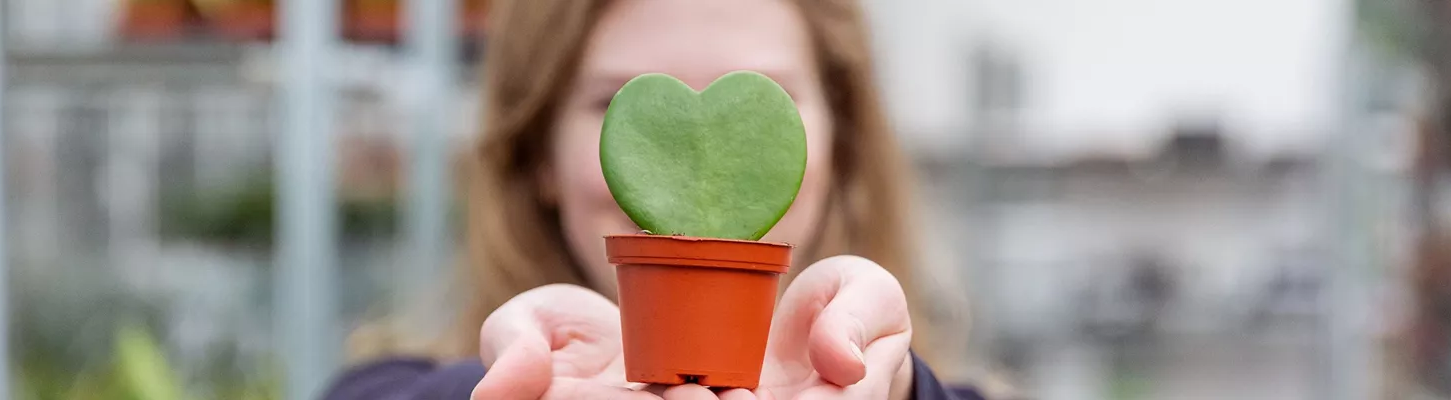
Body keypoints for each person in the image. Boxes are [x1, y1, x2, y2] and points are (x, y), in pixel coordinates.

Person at [327, 0, 1001, 398]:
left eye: (765, 105)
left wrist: (898, 394)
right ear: (539, 156)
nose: (693, 162)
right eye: (615, 102)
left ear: (840, 146)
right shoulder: (391, 388)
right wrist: (512, 388)